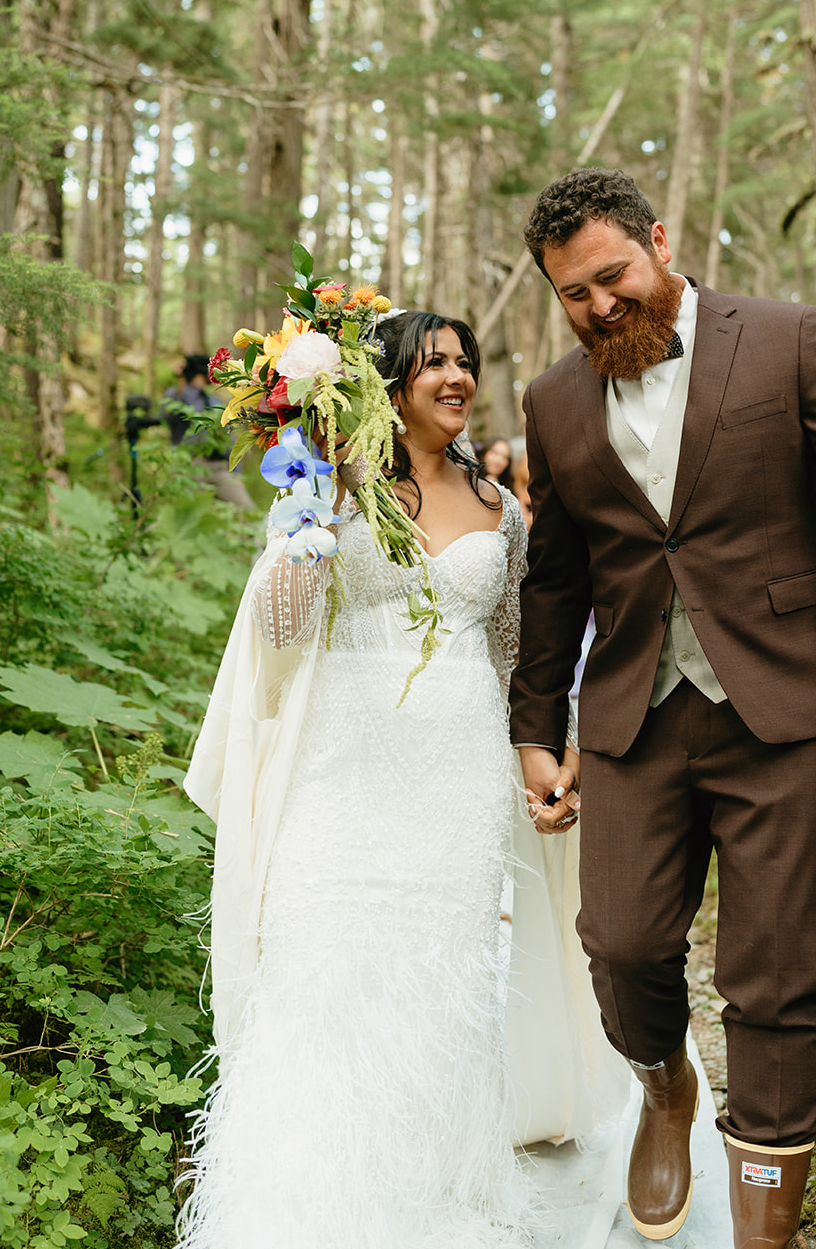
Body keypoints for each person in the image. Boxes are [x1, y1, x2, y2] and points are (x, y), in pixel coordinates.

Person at [509, 168, 816, 1249]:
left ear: (658, 241)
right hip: (632, 714)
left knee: (774, 976)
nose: (599, 305)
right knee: (621, 944)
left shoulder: (784, 339)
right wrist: (535, 727)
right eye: (573, 294)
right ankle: (664, 1085)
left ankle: (761, 1232)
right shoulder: (552, 401)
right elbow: (553, 577)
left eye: (612, 276)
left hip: (780, 704)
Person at [179, 310, 625, 1249]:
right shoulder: (329, 487)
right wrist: (315, 503)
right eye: (433, 363)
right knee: (321, 964)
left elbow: (515, 652)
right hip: (338, 764)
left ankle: (435, 1196)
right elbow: (280, 631)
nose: (457, 377)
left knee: (443, 974)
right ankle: (301, 1205)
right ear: (385, 387)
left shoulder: (500, 508)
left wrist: (547, 752)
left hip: (457, 769)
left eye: (465, 362)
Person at [164, 355, 255, 510]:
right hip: (192, 466)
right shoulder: (177, 396)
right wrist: (181, 377)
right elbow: (167, 414)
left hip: (219, 466)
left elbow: (229, 437)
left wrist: (236, 473)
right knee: (192, 514)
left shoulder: (214, 401)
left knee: (246, 509)